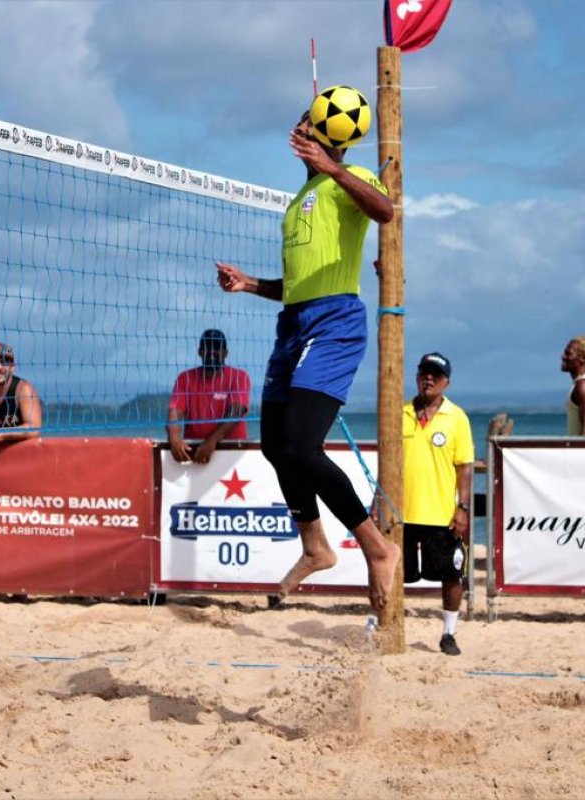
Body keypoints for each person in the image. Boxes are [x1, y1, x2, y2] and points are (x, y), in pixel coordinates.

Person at [215, 109, 400, 611]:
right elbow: (296, 286)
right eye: (299, 120)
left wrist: (334, 167)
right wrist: (250, 284)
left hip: (335, 321)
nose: (299, 127)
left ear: (330, 136)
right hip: (295, 322)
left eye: (310, 122)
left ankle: (376, 547)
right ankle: (315, 547)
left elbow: (385, 211)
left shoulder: (349, 177)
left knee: (301, 444)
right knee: (276, 446)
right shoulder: (299, 201)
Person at [402, 352, 474, 656]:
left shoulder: (456, 417)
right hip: (402, 512)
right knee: (392, 573)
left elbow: (464, 467)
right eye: (424, 373)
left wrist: (463, 508)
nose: (428, 378)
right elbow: (387, 462)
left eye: (435, 374)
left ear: (446, 382)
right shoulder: (400, 412)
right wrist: (379, 502)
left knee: (451, 575)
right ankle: (385, 626)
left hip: (441, 513)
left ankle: (448, 633)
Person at [166, 329, 251, 464]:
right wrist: (175, 439)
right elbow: (174, 413)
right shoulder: (185, 378)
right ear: (200, 351)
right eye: (207, 347)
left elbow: (236, 411)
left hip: (232, 455)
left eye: (217, 347)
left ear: (225, 353)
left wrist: (211, 442)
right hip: (195, 454)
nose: (212, 352)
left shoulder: (239, 377)